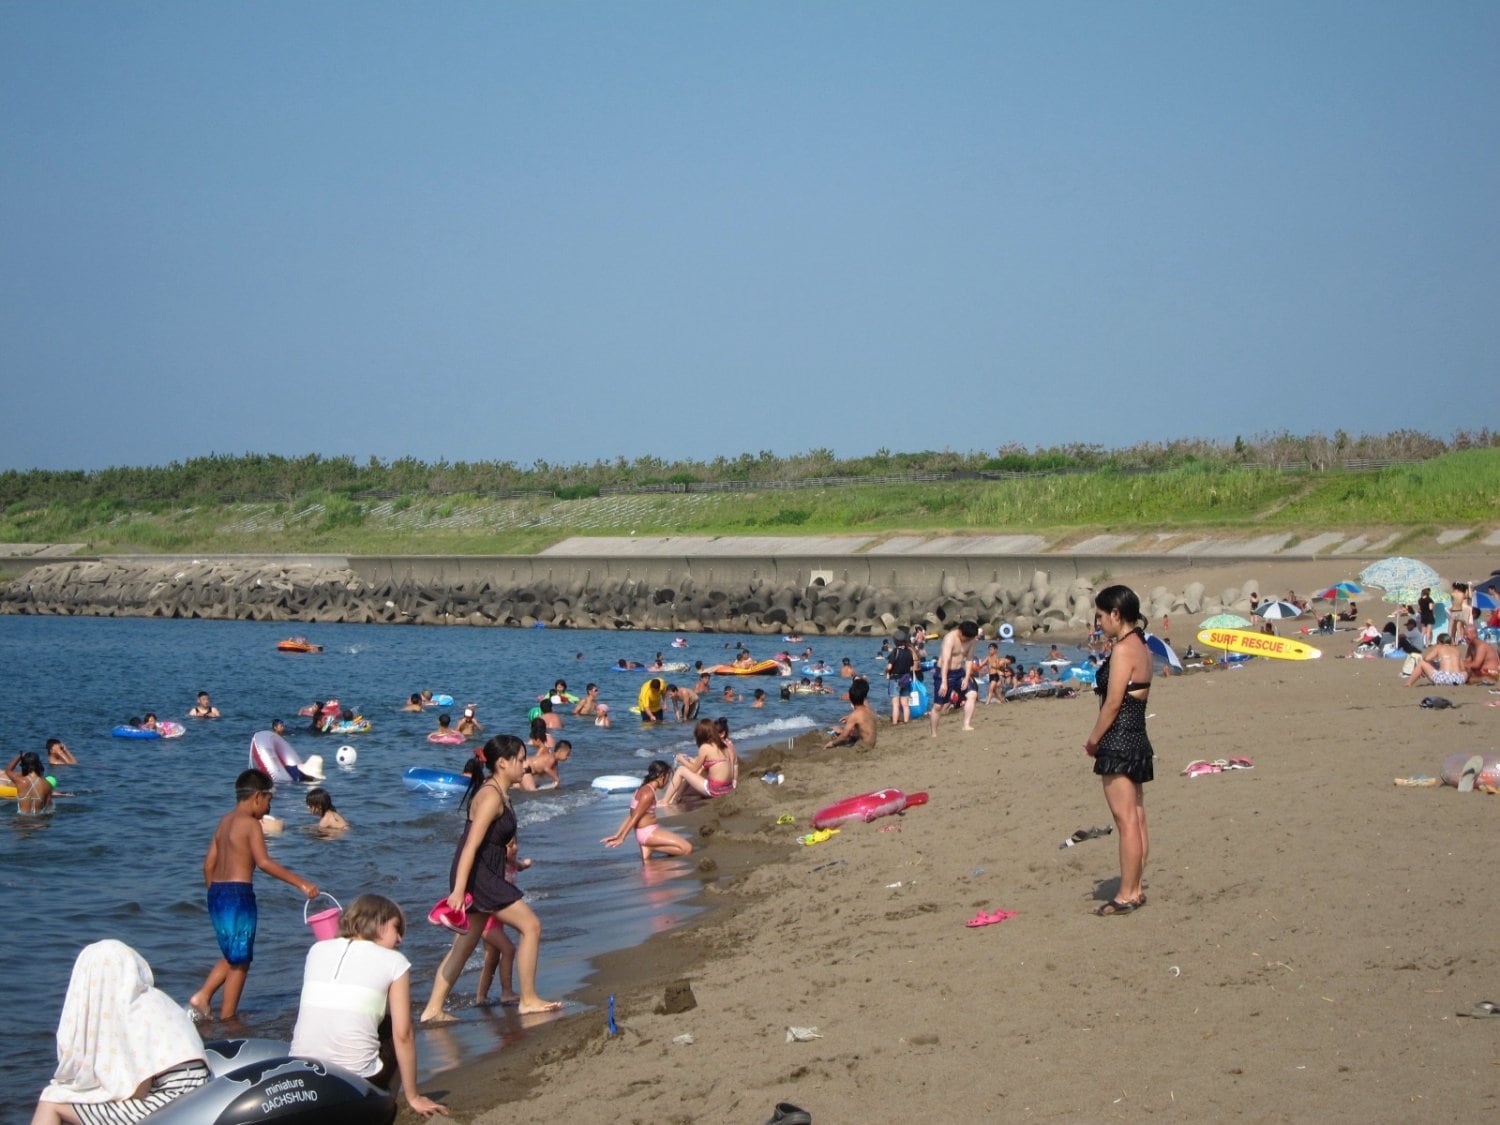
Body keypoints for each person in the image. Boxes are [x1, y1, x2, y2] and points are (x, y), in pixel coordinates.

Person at [420, 736, 560, 1021]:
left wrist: (515, 863)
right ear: (502, 763)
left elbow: (494, 843)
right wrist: (458, 891)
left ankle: (433, 1010)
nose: (525, 764)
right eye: (520, 760)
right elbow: (470, 845)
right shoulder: (491, 796)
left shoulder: (503, 792)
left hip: (486, 872)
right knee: (531, 926)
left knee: (466, 943)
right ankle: (529, 999)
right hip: (479, 876)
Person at [290, 895, 447, 1117]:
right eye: (396, 929)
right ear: (378, 923)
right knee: (396, 1025)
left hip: (302, 1071)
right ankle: (383, 1107)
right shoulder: (395, 962)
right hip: (355, 1077)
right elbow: (403, 1035)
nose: (400, 939)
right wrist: (414, 1096)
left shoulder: (316, 950)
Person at [187, 768, 319, 1020]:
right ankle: (228, 1017)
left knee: (232, 953)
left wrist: (214, 894)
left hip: (217, 893)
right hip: (238, 894)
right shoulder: (250, 824)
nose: (269, 807)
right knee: (241, 960)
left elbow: (208, 865)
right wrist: (301, 883)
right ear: (258, 796)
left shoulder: (224, 822)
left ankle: (203, 996)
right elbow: (264, 862)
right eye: (269, 800)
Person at [32, 940, 209, 1124]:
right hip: (193, 1092)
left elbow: (138, 1088)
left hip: (174, 1102)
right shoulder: (153, 1001)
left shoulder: (133, 1014)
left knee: (51, 1102)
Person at [1084, 586, 1153, 916]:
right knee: (1137, 818)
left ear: (1115, 614)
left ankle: (1126, 893)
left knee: (1125, 820)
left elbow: (1112, 703)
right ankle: (1136, 888)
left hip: (1119, 739)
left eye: (1100, 616)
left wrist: (1093, 740)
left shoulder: (1124, 649)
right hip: (1137, 737)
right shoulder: (1141, 646)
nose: (1098, 623)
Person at [602, 761, 694, 861]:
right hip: (648, 833)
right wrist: (622, 838)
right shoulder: (648, 793)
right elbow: (635, 818)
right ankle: (651, 847)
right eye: (668, 777)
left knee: (681, 848)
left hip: (645, 833)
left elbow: (631, 815)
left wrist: (617, 834)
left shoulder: (642, 789)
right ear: (662, 776)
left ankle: (649, 847)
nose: (668, 781)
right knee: (687, 848)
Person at [475, 839, 529, 1007]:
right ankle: (507, 992)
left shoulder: (511, 862)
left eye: (516, 843)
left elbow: (518, 866)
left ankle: (480, 997)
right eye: (510, 845)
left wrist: (525, 864)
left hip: (498, 920)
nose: (515, 848)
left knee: (491, 958)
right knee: (509, 949)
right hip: (487, 919)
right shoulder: (495, 866)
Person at [661, 719, 736, 805]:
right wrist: (690, 760)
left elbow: (693, 769)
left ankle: (665, 801)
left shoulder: (705, 747)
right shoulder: (723, 746)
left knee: (681, 770)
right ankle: (675, 799)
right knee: (690, 777)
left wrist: (682, 759)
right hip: (728, 788)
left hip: (716, 790)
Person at [929, 621, 980, 736]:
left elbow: (969, 659)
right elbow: (946, 660)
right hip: (944, 673)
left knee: (972, 694)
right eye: (966, 638)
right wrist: (944, 682)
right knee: (938, 706)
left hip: (959, 673)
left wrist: (967, 678)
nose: (967, 640)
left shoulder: (972, 640)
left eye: (970, 638)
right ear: (960, 632)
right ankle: (934, 733)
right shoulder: (950, 638)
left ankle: (966, 724)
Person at [825, 679, 877, 749]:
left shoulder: (855, 715)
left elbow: (843, 737)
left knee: (838, 735)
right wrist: (849, 718)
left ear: (851, 699)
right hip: (872, 743)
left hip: (864, 746)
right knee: (846, 732)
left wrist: (832, 744)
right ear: (864, 697)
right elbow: (864, 727)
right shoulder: (870, 710)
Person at [885, 627, 916, 725]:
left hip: (895, 679)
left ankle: (895, 722)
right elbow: (911, 667)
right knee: (905, 704)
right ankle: (906, 721)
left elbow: (889, 667)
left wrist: (885, 671)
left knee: (895, 703)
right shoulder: (909, 652)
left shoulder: (895, 651)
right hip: (906, 679)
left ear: (895, 641)